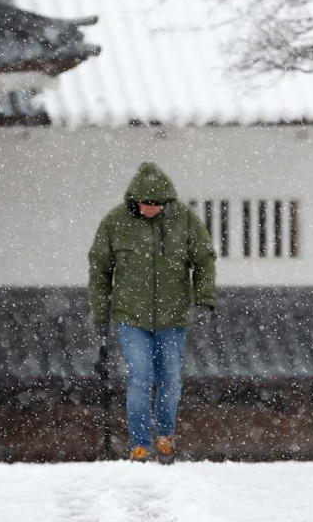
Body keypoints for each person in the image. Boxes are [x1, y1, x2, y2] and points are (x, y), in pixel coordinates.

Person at [89, 162, 216, 464]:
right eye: (147, 204)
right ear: (135, 201)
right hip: (130, 317)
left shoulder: (185, 221)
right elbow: (100, 269)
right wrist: (100, 312)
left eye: (157, 205)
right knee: (139, 377)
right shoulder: (115, 223)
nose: (151, 210)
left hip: (173, 316)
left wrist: (204, 298)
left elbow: (204, 259)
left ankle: (166, 436)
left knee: (171, 379)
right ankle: (140, 444)